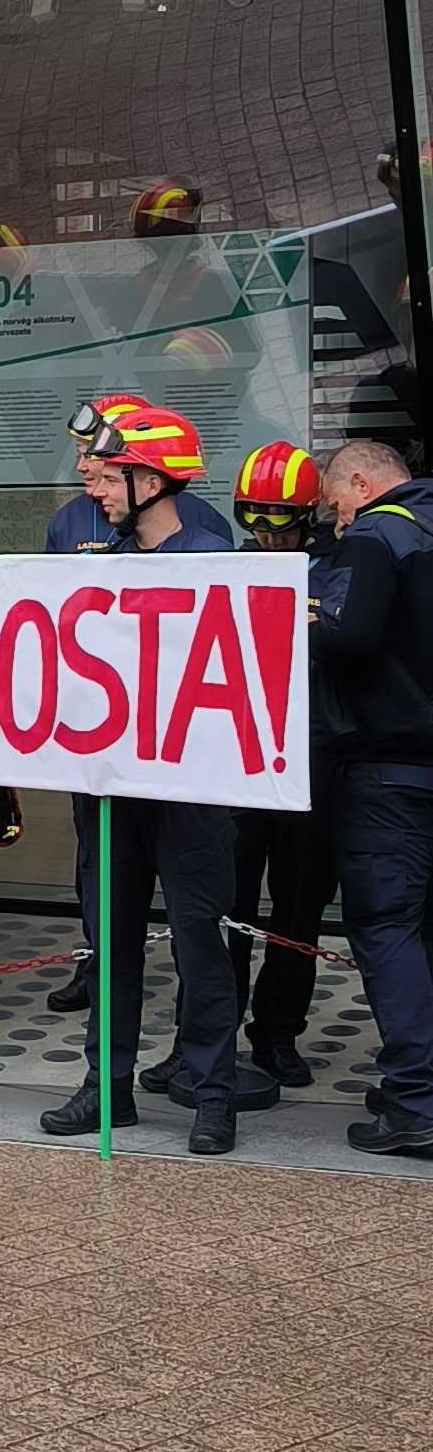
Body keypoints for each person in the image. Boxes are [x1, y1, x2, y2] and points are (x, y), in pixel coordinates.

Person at [41, 403, 245, 1155]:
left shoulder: (213, 555)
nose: (94, 489)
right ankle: (107, 1087)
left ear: (151, 481)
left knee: (200, 943)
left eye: (111, 476)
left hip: (191, 794)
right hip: (111, 786)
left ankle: (212, 1097)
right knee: (111, 945)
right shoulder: (102, 560)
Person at [313, 435, 433, 1158]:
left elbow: (347, 635)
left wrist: (309, 616)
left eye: (336, 504)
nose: (337, 520)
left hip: (389, 769)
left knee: (387, 928)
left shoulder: (376, 535)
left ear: (361, 482)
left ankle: (416, 1102)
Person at [225, 442, 339, 1089]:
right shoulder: (232, 567)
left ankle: (277, 1033)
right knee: (227, 906)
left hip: (312, 761)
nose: (267, 534)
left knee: (298, 906)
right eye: (253, 519)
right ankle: (209, 1036)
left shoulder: (338, 567)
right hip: (242, 759)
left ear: (309, 514)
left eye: (280, 520)